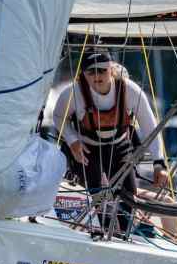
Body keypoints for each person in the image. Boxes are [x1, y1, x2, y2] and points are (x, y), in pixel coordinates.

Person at [53, 50, 167, 233]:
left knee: (129, 196)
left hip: (120, 147)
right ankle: (103, 231)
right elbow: (58, 117)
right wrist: (73, 141)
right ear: (83, 73)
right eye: (91, 71)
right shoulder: (73, 93)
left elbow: (150, 127)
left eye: (102, 70)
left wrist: (159, 163)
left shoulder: (130, 90)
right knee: (97, 195)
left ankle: (122, 234)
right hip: (87, 149)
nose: (97, 76)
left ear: (111, 70)